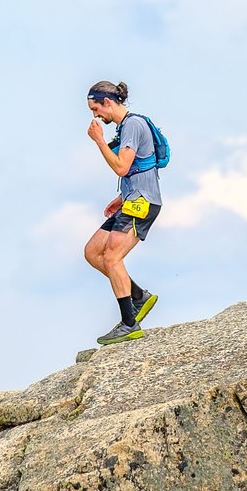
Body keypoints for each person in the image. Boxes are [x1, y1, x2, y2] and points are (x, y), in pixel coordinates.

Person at [82, 80, 163, 345]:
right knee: (93, 252)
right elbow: (139, 167)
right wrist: (120, 197)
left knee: (112, 257)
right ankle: (138, 296)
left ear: (108, 102)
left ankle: (130, 323)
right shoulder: (126, 127)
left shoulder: (132, 125)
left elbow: (121, 167)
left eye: (95, 109)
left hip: (143, 202)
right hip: (131, 200)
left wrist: (99, 142)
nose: (95, 115)